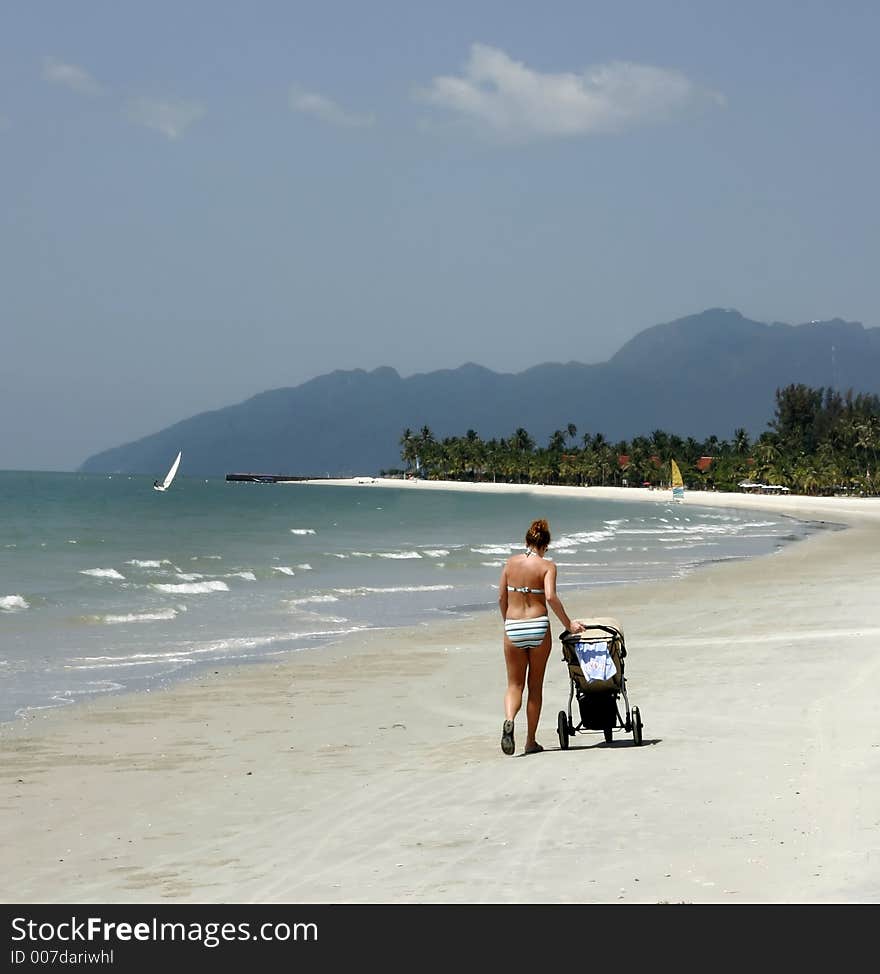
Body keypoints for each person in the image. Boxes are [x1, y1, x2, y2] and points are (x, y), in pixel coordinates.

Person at [498, 518, 584, 756]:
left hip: (513, 626)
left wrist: (508, 622)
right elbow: (551, 597)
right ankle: (530, 741)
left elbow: (501, 599)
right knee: (534, 686)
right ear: (545, 545)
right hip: (537, 626)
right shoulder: (547, 566)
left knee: (514, 685)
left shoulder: (510, 563)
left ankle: (509, 719)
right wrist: (569, 624)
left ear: (526, 540)